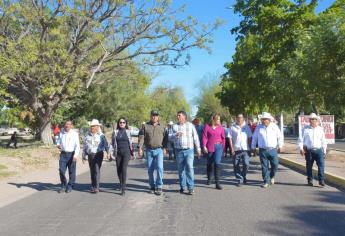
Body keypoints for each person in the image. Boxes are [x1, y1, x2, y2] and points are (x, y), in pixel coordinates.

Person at [138, 110, 168, 196]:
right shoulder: (145, 126)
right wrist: (140, 148)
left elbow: (166, 138)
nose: (154, 117)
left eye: (156, 115)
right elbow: (142, 137)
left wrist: (165, 148)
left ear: (158, 117)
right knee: (150, 169)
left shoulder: (162, 126)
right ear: (150, 116)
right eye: (153, 115)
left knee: (160, 168)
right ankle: (152, 185)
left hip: (159, 150)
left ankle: (159, 186)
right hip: (149, 150)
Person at [251, 112, 283, 188]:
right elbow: (255, 138)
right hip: (263, 150)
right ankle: (266, 181)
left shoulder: (274, 126)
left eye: (265, 119)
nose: (264, 120)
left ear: (269, 120)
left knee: (275, 165)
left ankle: (272, 176)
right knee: (264, 167)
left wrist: (280, 146)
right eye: (263, 119)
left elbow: (280, 137)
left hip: (273, 150)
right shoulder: (259, 127)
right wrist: (253, 147)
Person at [173, 110, 201, 195]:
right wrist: (175, 135)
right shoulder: (175, 126)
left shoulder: (191, 125)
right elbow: (170, 137)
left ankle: (191, 187)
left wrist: (198, 149)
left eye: (179, 115)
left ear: (184, 116)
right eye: (177, 115)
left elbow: (195, 137)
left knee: (189, 168)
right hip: (179, 151)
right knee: (181, 169)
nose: (178, 117)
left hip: (189, 150)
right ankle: (182, 186)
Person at [298, 113, 327, 187]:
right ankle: (310, 180)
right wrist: (301, 148)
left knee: (321, 166)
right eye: (311, 119)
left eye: (314, 119)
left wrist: (324, 151)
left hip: (319, 150)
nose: (312, 120)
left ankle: (321, 180)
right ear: (309, 120)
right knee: (309, 166)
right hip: (309, 151)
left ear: (316, 120)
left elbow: (323, 141)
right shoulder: (305, 129)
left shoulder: (320, 129)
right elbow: (300, 140)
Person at [82, 119, 109, 194]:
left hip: (98, 154)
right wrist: (83, 156)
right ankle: (93, 186)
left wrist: (108, 153)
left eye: (93, 126)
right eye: (91, 126)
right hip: (90, 155)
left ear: (97, 127)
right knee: (92, 171)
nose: (92, 128)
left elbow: (106, 144)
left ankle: (96, 187)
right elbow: (84, 146)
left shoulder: (101, 136)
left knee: (96, 170)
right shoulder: (87, 136)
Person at [110, 117, 134, 195]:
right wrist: (110, 152)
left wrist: (132, 152)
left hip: (126, 152)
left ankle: (123, 188)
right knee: (118, 170)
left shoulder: (128, 132)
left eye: (123, 122)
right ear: (118, 123)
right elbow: (112, 143)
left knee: (124, 169)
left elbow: (131, 143)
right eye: (120, 122)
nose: (122, 124)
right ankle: (121, 183)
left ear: (125, 124)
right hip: (118, 153)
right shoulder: (115, 132)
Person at [202, 114, 225, 190]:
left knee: (217, 163)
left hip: (218, 147)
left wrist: (223, 147)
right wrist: (204, 146)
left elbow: (223, 138)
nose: (219, 121)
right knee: (209, 163)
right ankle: (209, 178)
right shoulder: (207, 126)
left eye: (219, 119)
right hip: (210, 147)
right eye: (218, 119)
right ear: (213, 120)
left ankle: (217, 183)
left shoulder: (221, 128)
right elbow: (205, 137)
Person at [56, 120, 80, 193]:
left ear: (71, 126)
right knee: (61, 170)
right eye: (66, 124)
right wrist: (58, 144)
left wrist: (75, 155)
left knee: (71, 171)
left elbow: (77, 146)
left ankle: (70, 186)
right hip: (63, 154)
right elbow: (58, 141)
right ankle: (63, 185)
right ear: (64, 125)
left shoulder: (74, 134)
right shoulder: (61, 132)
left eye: (69, 124)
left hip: (71, 154)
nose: (67, 126)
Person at [229, 113, 252, 186]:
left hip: (245, 149)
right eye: (238, 117)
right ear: (236, 118)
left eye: (240, 117)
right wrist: (231, 148)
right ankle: (240, 179)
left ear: (243, 118)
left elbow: (250, 138)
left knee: (246, 164)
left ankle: (243, 176)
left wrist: (250, 147)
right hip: (236, 149)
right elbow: (230, 138)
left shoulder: (247, 127)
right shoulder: (233, 127)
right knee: (236, 165)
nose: (239, 119)